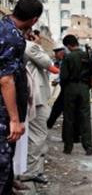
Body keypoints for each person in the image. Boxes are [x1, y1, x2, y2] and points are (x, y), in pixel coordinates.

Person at [0, 0, 43, 195]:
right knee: (3, 153)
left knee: (8, 152)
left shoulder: (6, 27)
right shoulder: (11, 37)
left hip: (7, 107)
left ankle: (7, 192)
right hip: (4, 109)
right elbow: (6, 80)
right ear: (33, 20)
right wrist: (14, 119)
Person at [21, 28, 59, 184]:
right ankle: (30, 171)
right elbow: (48, 63)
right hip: (36, 97)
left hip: (31, 96)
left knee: (33, 135)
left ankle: (31, 169)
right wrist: (37, 44)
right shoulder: (30, 47)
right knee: (38, 134)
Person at [60, 34, 92, 155]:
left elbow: (63, 76)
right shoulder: (88, 55)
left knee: (69, 118)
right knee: (85, 117)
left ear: (68, 45)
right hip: (84, 88)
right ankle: (89, 147)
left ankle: (68, 147)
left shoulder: (68, 57)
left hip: (70, 88)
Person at [46, 46, 66, 129]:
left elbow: (64, 74)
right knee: (59, 105)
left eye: (56, 53)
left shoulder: (65, 61)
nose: (54, 55)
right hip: (64, 87)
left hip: (66, 88)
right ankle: (49, 123)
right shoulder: (61, 61)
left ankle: (49, 124)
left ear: (60, 53)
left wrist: (57, 81)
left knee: (58, 105)